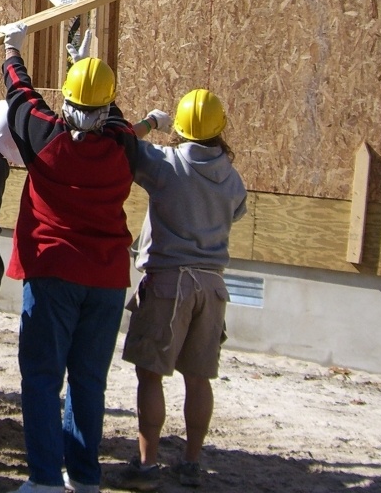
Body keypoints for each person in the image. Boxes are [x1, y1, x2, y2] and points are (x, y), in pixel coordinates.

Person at [0, 23, 161, 493]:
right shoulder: (123, 145)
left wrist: (12, 49)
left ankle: (46, 479)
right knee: (89, 382)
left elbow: (20, 94)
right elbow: (116, 117)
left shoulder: (44, 138)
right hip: (107, 279)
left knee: (43, 380)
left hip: (53, 273)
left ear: (66, 103)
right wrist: (82, 65)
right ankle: (85, 478)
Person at [118, 89, 248, 491]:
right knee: (198, 378)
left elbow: (121, 143)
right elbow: (238, 210)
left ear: (180, 127)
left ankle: (146, 464)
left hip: (169, 282)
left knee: (151, 375)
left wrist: (149, 123)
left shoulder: (166, 164)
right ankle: (191, 461)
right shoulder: (232, 177)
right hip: (212, 286)